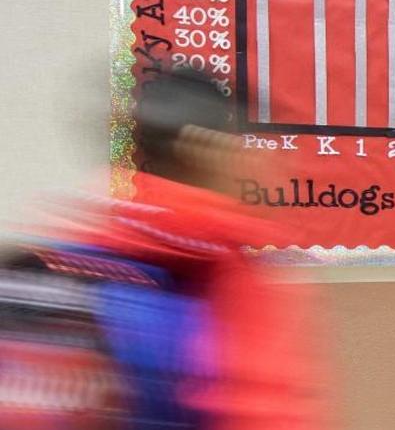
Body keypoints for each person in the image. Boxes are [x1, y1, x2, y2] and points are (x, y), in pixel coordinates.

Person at [0, 69, 328, 429]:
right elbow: (262, 414)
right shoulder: (218, 270)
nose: (273, 169)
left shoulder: (47, 263)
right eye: (254, 148)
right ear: (207, 150)